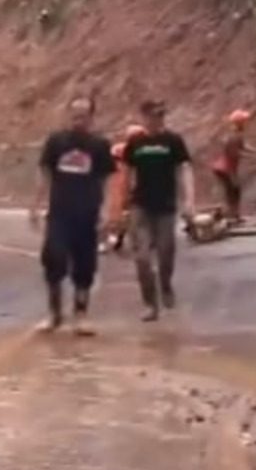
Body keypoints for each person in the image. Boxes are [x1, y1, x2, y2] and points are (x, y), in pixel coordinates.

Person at [30, 96, 117, 335]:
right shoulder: (56, 142)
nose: (79, 120)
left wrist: (107, 209)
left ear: (91, 117)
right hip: (59, 213)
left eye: (84, 115)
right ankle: (54, 313)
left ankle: (81, 314)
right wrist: (35, 206)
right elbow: (44, 173)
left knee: (84, 265)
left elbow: (107, 180)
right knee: (53, 259)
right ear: (69, 115)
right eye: (75, 114)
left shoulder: (99, 145)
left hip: (87, 213)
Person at [122, 100, 196, 322]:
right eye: (153, 116)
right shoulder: (135, 143)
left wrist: (189, 200)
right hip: (141, 205)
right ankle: (150, 303)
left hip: (165, 206)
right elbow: (125, 173)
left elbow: (185, 169)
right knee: (142, 257)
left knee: (166, 252)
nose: (157, 120)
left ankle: (165, 284)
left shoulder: (172, 141)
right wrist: (121, 204)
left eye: (160, 116)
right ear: (144, 117)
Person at [103, 125, 147, 254]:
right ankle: (118, 236)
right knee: (120, 212)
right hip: (122, 182)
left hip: (138, 184)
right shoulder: (120, 150)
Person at [212, 109, 252, 223]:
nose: (246, 123)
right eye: (244, 121)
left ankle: (234, 215)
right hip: (226, 168)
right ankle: (231, 215)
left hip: (226, 167)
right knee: (233, 191)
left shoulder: (237, 134)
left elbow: (244, 147)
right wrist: (255, 157)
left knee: (234, 191)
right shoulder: (234, 135)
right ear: (240, 123)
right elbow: (236, 153)